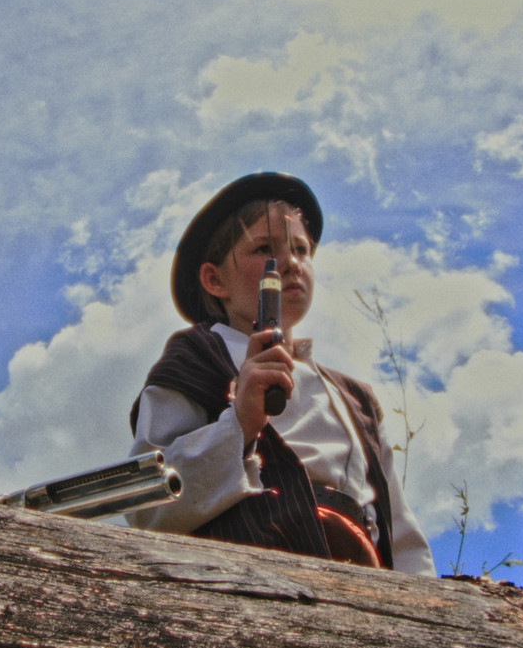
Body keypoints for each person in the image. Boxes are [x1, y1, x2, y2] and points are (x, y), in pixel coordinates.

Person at [125, 172, 435, 575]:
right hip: (247, 579)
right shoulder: (196, 359)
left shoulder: (355, 398)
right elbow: (147, 504)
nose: (291, 263)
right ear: (214, 280)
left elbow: (401, 533)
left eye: (301, 250)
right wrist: (239, 425)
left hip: (361, 585)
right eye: (264, 249)